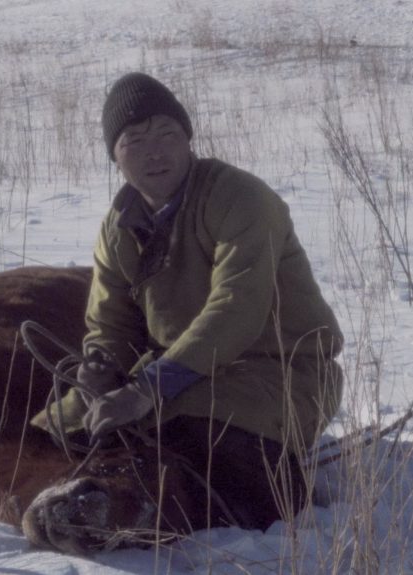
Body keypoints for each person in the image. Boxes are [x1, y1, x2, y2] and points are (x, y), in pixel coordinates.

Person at [35, 72, 344, 531]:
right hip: (177, 373)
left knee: (198, 434)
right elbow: (109, 323)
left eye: (167, 135)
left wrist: (144, 391)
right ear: (114, 156)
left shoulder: (240, 198)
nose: (155, 152)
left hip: (278, 370)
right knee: (56, 431)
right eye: (134, 141)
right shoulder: (117, 227)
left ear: (188, 139)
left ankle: (270, 501)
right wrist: (101, 367)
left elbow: (236, 308)